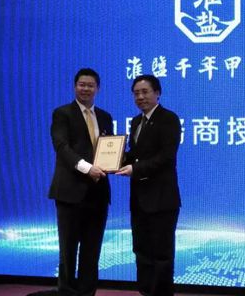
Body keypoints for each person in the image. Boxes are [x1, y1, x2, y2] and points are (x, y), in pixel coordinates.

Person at [31, 68, 113, 296]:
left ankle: (87, 292)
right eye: (82, 84)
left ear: (98, 88)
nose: (86, 89)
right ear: (75, 86)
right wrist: (87, 168)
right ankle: (66, 292)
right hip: (70, 192)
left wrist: (117, 162)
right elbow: (61, 147)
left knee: (92, 250)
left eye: (90, 85)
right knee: (68, 250)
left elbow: (108, 150)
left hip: (98, 193)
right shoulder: (62, 114)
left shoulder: (105, 117)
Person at [117, 74, 181, 296]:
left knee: (161, 255)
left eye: (145, 92)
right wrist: (113, 159)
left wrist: (135, 169)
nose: (140, 97)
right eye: (136, 93)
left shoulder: (169, 119)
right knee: (141, 251)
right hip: (139, 199)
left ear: (157, 93)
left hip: (162, 200)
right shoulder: (136, 121)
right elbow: (135, 154)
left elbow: (166, 157)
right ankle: (145, 292)